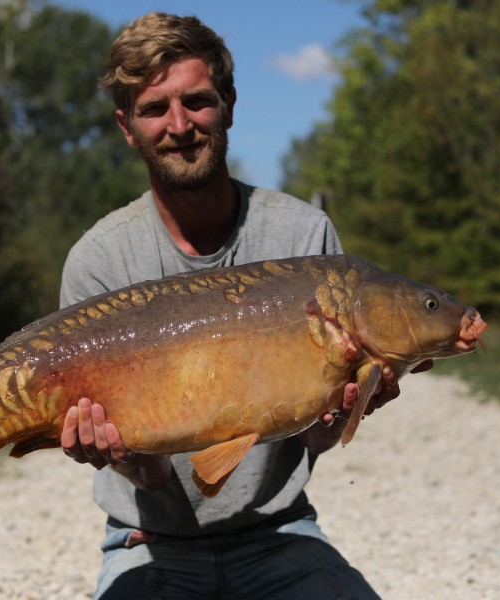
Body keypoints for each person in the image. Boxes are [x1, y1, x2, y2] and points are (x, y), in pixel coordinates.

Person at [58, 13, 425, 599]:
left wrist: (335, 418)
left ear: (228, 103)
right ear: (128, 127)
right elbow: (151, 478)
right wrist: (123, 456)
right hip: (148, 543)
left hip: (281, 535)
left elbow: (312, 440)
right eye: (155, 109)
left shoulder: (304, 239)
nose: (179, 125)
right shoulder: (99, 259)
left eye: (197, 101)